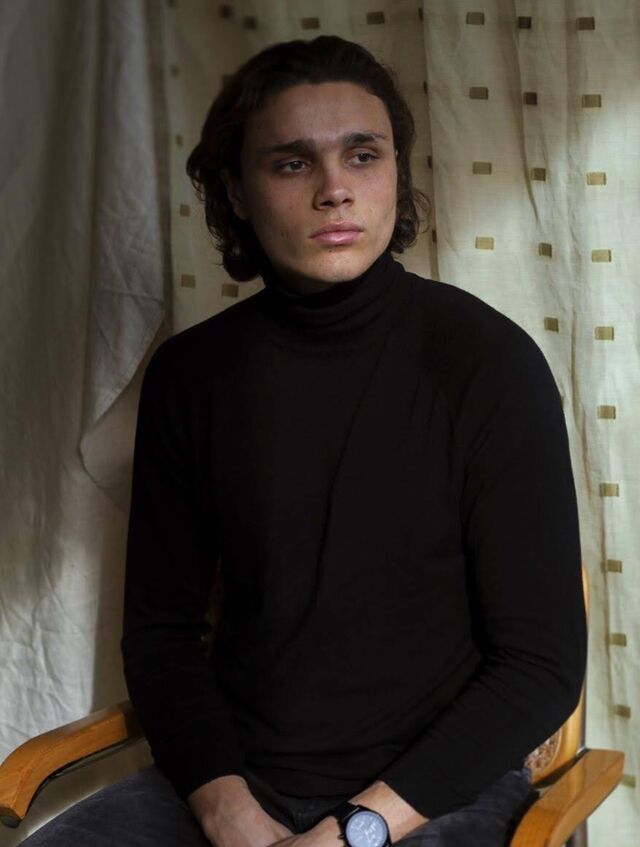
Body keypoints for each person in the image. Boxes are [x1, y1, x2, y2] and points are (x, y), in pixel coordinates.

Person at [19, 34, 587, 847]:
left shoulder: (488, 362)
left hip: (433, 795)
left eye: (363, 155)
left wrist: (352, 831)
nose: (334, 190)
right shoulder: (192, 375)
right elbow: (160, 634)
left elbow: (540, 664)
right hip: (235, 786)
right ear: (237, 189)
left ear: (396, 172)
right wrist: (230, 814)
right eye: (291, 163)